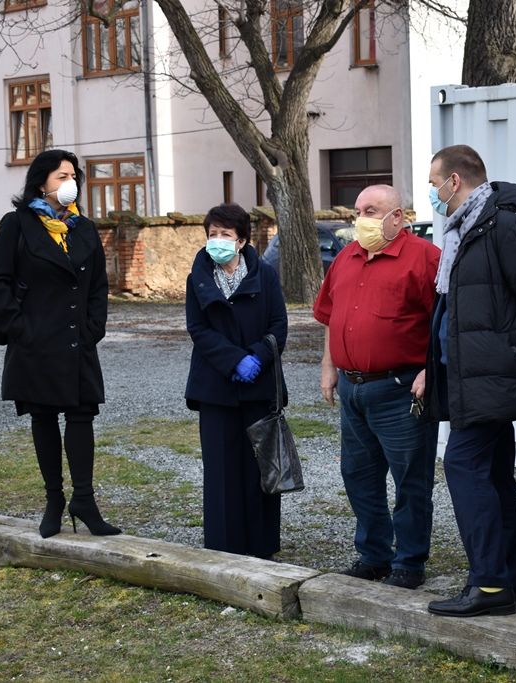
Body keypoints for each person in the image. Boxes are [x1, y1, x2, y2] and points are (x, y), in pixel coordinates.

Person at [422, 144, 516, 617]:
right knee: (493, 477)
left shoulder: (505, 227)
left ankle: (489, 584)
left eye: (434, 184)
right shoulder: (462, 232)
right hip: (470, 377)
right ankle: (507, 584)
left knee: (464, 466)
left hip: (493, 376)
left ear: (455, 181)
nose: (432, 194)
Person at [0, 149, 121, 539]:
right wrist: (19, 328)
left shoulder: (83, 228)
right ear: (41, 182)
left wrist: (94, 327)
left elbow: (98, 285)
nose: (69, 182)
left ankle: (84, 500)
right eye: (62, 176)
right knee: (43, 417)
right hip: (35, 342)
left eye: (73, 176)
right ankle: (54, 500)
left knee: (81, 416)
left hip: (77, 341)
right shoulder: (17, 224)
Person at [313, 184, 441, 589]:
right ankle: (373, 555)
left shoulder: (425, 258)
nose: (361, 219)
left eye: (371, 211)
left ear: (397, 216)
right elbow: (331, 315)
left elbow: (446, 321)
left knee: (410, 480)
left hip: (401, 389)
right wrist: (328, 365)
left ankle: (409, 562)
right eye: (358, 211)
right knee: (358, 475)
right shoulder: (346, 257)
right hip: (353, 388)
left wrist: (432, 370)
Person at [184, 203, 288, 558]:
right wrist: (234, 360)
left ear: (241, 240)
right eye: (212, 234)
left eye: (225, 234)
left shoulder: (265, 275)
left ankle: (262, 546)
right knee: (222, 471)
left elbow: (279, 325)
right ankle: (224, 548)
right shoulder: (198, 277)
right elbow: (198, 329)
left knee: (260, 468)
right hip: (216, 388)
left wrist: (257, 356)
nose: (217, 240)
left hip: (259, 386)